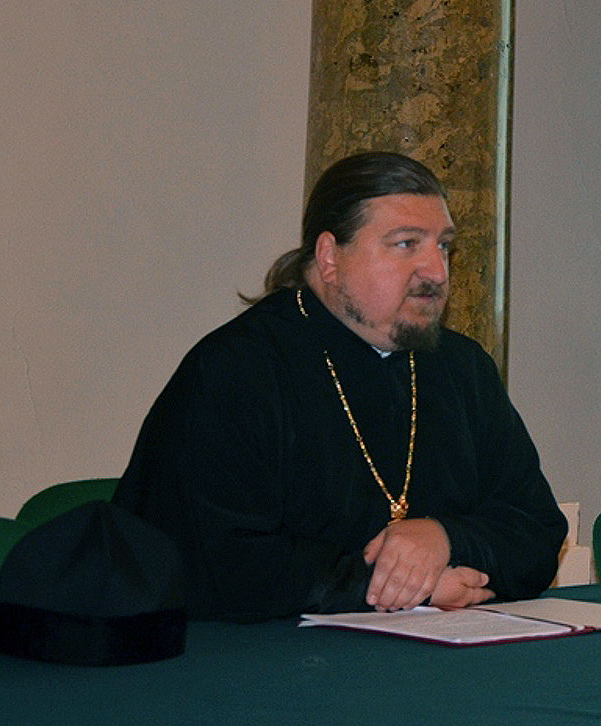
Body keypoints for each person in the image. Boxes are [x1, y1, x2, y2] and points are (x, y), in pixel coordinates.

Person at [111, 152, 567, 621]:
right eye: (406, 244)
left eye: (444, 245)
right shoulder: (237, 370)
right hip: (266, 658)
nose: (437, 271)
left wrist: (444, 536)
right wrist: (402, 588)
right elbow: (218, 562)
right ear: (329, 257)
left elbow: (537, 532)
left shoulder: (462, 368)